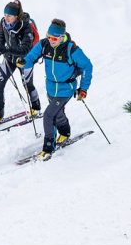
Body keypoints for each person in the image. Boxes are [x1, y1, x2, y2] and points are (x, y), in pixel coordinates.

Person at [17, 19, 93, 160]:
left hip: (66, 88)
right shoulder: (44, 44)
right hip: (51, 87)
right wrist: (23, 62)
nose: (51, 40)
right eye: (48, 36)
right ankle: (65, 132)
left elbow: (87, 66)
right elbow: (31, 57)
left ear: (62, 37)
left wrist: (83, 88)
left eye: (54, 38)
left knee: (48, 115)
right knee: (57, 114)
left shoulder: (71, 49)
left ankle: (48, 147)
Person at [0, 0, 41, 123]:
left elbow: (25, 49)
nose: (6, 18)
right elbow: (1, 38)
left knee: (27, 84)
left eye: (9, 16)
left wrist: (7, 50)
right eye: (5, 14)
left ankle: (36, 107)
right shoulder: (3, 22)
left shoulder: (26, 26)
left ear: (16, 17)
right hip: (9, 58)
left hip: (24, 59)